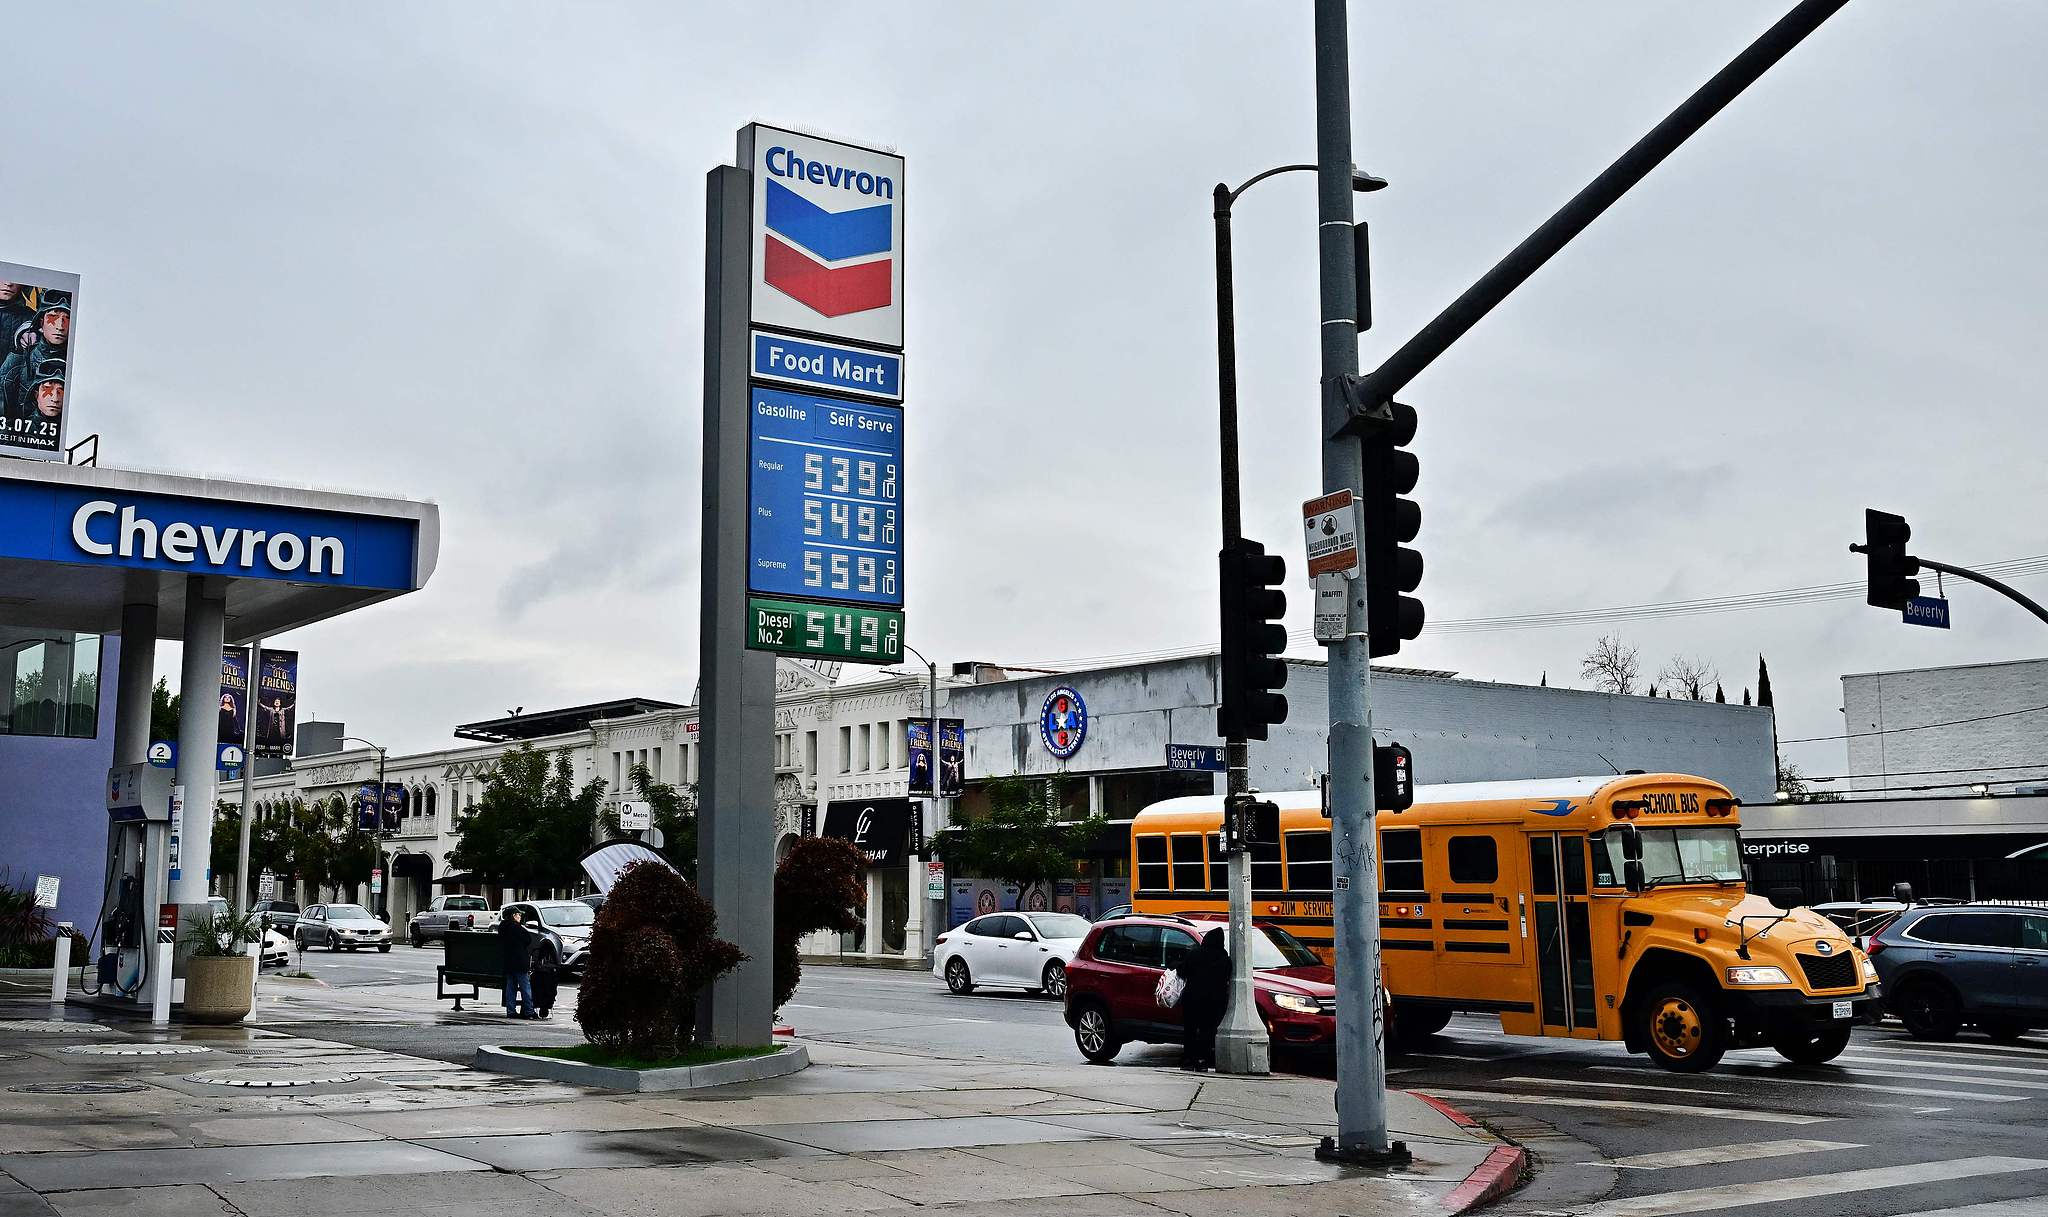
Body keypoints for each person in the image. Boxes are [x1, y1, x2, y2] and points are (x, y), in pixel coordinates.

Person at [1176, 927, 1231, 1071]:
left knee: (1190, 1030)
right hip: (1213, 1002)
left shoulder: (1194, 954)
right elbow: (1226, 978)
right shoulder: (1224, 959)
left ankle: (1188, 1060)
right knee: (1207, 1031)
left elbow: (1182, 971)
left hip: (1192, 999)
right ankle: (1202, 1061)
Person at [497, 907, 537, 1018]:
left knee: (511, 987)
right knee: (525, 987)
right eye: (518, 915)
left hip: (508, 962)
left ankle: (511, 1011)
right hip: (519, 961)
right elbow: (528, 939)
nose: (520, 917)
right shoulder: (517, 928)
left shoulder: (502, 927)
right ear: (514, 915)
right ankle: (529, 1011)